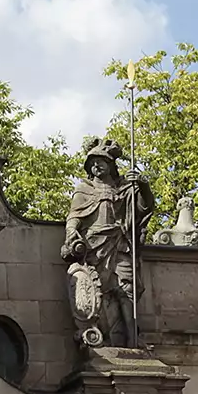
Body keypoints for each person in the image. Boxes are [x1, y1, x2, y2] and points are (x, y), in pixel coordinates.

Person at [61, 138, 155, 347]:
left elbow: (144, 209)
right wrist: (71, 232)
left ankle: (133, 339)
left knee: (127, 290)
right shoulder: (84, 189)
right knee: (99, 293)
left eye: (101, 161)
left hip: (120, 244)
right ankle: (102, 338)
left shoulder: (125, 187)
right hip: (94, 247)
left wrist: (142, 186)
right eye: (92, 162)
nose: (96, 165)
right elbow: (74, 216)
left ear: (111, 164)